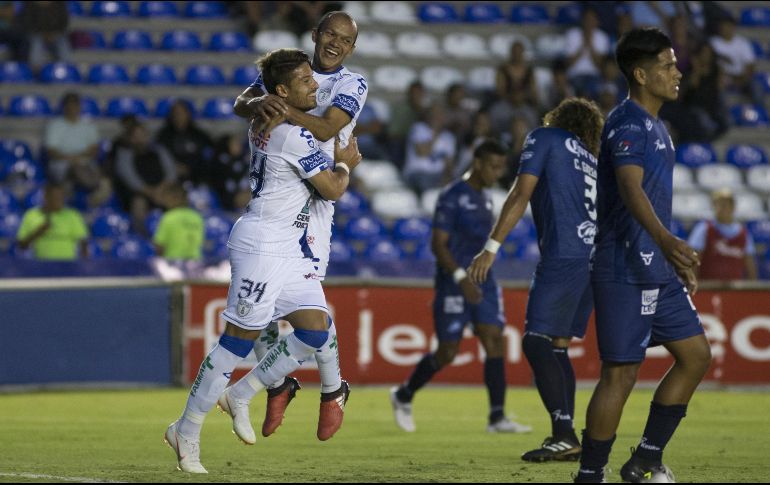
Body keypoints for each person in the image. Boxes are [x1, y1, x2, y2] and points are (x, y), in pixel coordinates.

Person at [164, 48, 362, 474]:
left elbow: (249, 104)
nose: (317, 86)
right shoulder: (291, 134)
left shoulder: (270, 117)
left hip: (288, 247)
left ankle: (243, 392)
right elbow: (330, 188)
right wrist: (345, 166)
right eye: (307, 81)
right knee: (235, 340)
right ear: (282, 92)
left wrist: (256, 102)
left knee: (315, 329)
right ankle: (186, 428)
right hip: (263, 245)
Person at [574, 28, 712, 483]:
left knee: (695, 355)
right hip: (623, 266)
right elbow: (631, 190)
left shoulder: (657, 126)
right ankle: (591, 475)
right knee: (621, 374)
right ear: (641, 73)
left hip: (656, 266)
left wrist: (668, 254)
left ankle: (646, 459)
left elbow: (647, 194)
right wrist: (669, 241)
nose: (678, 73)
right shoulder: (628, 122)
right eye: (668, 66)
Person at [226, 11, 366, 440]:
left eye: (344, 40)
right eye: (330, 34)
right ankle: (286, 382)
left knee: (310, 301)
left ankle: (330, 387)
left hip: (318, 198)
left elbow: (327, 126)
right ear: (316, 34)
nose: (335, 44)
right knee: (269, 303)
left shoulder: (351, 84)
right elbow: (240, 104)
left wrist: (279, 108)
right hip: (280, 191)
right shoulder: (292, 70)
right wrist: (257, 102)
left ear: (351, 48)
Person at [468, 97, 605, 462]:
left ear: (558, 119)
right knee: (557, 346)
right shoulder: (594, 161)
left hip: (565, 253)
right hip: (595, 260)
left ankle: (563, 433)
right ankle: (567, 436)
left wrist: (492, 246)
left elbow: (520, 192)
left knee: (536, 342)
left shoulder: (546, 137)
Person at [389, 140, 531, 434]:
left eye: (500, 167)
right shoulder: (452, 195)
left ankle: (497, 417)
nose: (496, 172)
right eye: (492, 166)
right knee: (448, 352)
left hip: (483, 280)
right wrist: (461, 279)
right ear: (477, 163)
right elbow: (438, 245)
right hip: (454, 282)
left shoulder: (487, 197)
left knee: (493, 338)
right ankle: (403, 394)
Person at [112, 121, 178, 237]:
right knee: (139, 203)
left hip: (162, 189)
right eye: (136, 136)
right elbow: (130, 178)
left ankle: (174, 234)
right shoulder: (124, 154)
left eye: (142, 135)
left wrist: (162, 189)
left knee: (176, 199)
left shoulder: (159, 151)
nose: (140, 139)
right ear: (130, 138)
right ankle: (142, 237)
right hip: (139, 193)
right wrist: (150, 192)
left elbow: (171, 171)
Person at [687, 188, 758, 281]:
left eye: (726, 204)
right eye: (718, 204)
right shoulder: (703, 229)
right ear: (714, 206)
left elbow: (750, 266)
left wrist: (751, 291)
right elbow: (692, 262)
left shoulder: (743, 233)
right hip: (707, 290)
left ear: (733, 207)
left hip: (735, 291)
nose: (723, 208)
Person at [44, 92, 102, 194]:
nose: (72, 108)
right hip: (61, 163)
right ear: (64, 107)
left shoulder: (89, 125)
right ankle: (92, 184)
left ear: (79, 106)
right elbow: (51, 152)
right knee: (74, 169)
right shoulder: (54, 126)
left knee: (88, 170)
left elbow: (94, 150)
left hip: (85, 163)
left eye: (75, 105)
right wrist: (71, 159)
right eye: (69, 105)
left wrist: (77, 158)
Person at [16, 183, 88, 260]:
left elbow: (83, 243)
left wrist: (83, 265)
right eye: (56, 197)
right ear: (46, 197)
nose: (60, 200)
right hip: (42, 266)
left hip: (67, 266)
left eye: (62, 197)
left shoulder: (73, 215)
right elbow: (21, 246)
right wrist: (38, 232)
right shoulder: (31, 215)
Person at [152, 184, 204, 262]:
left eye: (165, 197)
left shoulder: (168, 217)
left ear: (172, 198)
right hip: (195, 262)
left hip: (173, 263)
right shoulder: (197, 217)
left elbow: (159, 245)